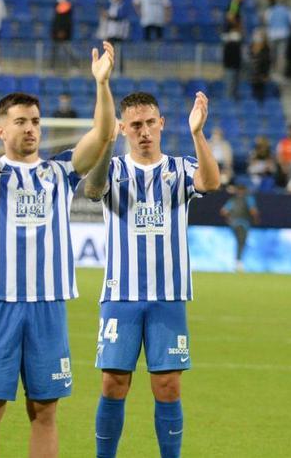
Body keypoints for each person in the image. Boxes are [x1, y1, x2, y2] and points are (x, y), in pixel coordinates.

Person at [0, 40, 116, 458]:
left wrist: (101, 84)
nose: (30, 128)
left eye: (36, 121)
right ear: (2, 130)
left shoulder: (59, 171)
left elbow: (102, 134)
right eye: (21, 121)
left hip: (48, 305)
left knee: (44, 410)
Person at [83, 88, 220, 458]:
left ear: (161, 124)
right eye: (135, 125)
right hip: (120, 294)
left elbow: (211, 183)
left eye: (149, 123)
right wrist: (106, 144)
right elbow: (92, 190)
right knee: (113, 383)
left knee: (168, 386)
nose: (144, 131)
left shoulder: (181, 168)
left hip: (168, 297)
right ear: (124, 129)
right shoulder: (112, 168)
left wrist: (198, 134)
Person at [220, 185, 258, 273]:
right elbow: (253, 210)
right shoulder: (248, 199)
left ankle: (237, 262)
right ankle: (238, 263)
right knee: (241, 242)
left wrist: (229, 219)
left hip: (233, 224)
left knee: (239, 242)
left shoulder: (233, 200)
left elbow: (223, 211)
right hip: (243, 224)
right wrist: (256, 219)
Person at [101, 0, 131, 74]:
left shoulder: (122, 6)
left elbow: (119, 17)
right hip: (111, 33)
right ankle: (111, 69)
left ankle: (119, 70)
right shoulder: (112, 6)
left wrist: (108, 16)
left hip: (118, 33)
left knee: (117, 53)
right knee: (109, 53)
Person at [265, 0, 291, 80]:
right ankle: (280, 74)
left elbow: (267, 22)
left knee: (272, 55)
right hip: (284, 34)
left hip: (272, 34)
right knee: (281, 55)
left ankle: (272, 73)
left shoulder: (270, 10)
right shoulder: (288, 11)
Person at [50, 0, 75, 72]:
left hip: (65, 34)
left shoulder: (67, 7)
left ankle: (74, 66)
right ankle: (52, 68)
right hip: (56, 34)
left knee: (68, 51)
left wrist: (62, 31)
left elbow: (66, 21)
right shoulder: (57, 6)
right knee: (55, 51)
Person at [221, 21, 243, 99]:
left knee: (235, 88)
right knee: (229, 88)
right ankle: (228, 102)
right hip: (229, 67)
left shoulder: (238, 42)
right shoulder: (228, 42)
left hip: (236, 66)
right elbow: (226, 55)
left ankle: (234, 104)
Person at [248, 29, 271, 104]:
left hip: (261, 76)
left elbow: (267, 63)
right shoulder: (251, 48)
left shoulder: (266, 49)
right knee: (254, 94)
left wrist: (265, 74)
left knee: (261, 94)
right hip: (253, 76)